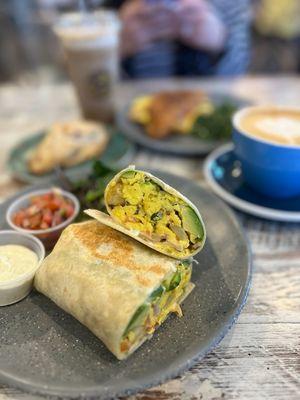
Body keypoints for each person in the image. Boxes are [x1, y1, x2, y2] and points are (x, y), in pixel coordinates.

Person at [104, 0, 251, 78]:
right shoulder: (112, 6)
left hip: (205, 109)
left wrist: (220, 42)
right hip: (128, 114)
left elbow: (238, 75)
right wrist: (113, 47)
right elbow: (93, 84)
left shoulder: (229, 3)